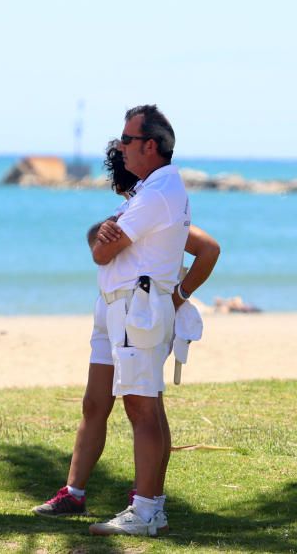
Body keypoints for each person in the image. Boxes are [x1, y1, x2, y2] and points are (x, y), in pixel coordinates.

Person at [32, 140, 219, 526]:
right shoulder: (134, 205)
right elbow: (99, 244)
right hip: (112, 307)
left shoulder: (156, 203)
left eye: (123, 185)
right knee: (95, 402)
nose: (123, 192)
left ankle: (147, 500)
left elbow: (209, 249)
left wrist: (178, 296)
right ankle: (74, 492)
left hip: (139, 311)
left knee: (145, 405)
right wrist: (107, 233)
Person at [81, 105, 192, 537]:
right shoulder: (157, 189)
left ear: (151, 145)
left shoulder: (156, 192)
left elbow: (103, 251)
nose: (120, 146)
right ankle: (152, 506)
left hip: (137, 307)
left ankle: (145, 510)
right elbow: (107, 243)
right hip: (137, 305)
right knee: (148, 405)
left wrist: (107, 235)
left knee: (141, 407)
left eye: (127, 139)